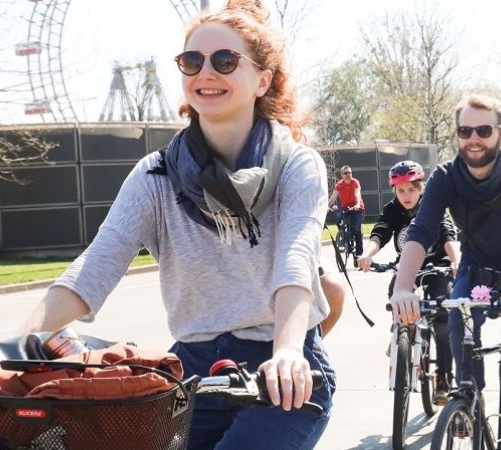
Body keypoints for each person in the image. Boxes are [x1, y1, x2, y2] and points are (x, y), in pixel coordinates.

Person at [21, 2, 336, 447]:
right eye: (192, 61)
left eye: (225, 61)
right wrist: (15, 346)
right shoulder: (155, 176)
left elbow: (295, 261)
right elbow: (96, 264)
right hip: (192, 366)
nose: (206, 72)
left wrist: (286, 352)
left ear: (263, 80)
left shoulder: (298, 167)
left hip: (281, 367)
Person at [389, 94, 501, 449]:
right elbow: (421, 230)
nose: (473, 138)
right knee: (460, 335)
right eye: (465, 130)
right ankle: (469, 406)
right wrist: (403, 288)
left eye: (483, 129)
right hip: (476, 270)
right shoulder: (445, 178)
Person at [356, 160, 460, 406]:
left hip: (437, 266)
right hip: (408, 268)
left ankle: (443, 377)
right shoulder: (393, 209)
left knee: (443, 321)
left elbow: (447, 235)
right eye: (400, 190)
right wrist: (367, 255)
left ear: (421, 187)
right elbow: (380, 232)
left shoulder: (432, 206)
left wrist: (456, 261)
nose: (406, 195)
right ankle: (403, 334)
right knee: (396, 292)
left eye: (411, 190)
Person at [329, 165, 365, 256]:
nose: (348, 174)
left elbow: (357, 193)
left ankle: (359, 255)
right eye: (345, 173)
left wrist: (357, 204)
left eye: (349, 172)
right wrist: (327, 206)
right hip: (345, 207)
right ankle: (343, 237)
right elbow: (333, 197)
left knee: (356, 230)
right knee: (338, 217)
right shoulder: (339, 184)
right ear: (342, 175)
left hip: (357, 208)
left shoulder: (355, 182)